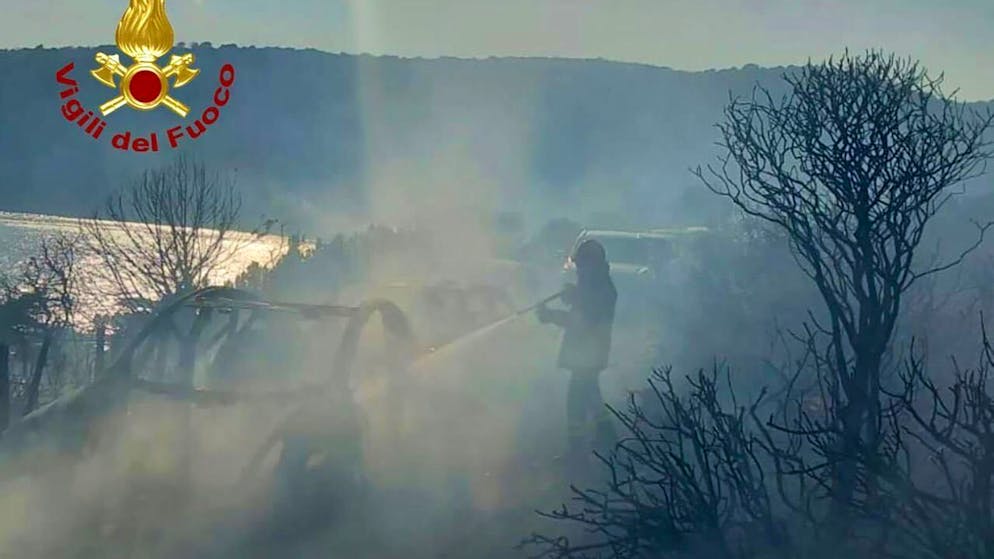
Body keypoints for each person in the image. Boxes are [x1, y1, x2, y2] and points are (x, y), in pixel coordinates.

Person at [537, 239, 618, 472]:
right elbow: (583, 307)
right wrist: (574, 296)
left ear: (593, 264)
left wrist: (551, 315)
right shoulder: (596, 284)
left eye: (583, 265)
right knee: (592, 396)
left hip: (587, 354)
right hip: (588, 354)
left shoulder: (600, 288)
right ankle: (607, 437)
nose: (580, 269)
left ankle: (577, 454)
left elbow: (581, 321)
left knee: (575, 404)